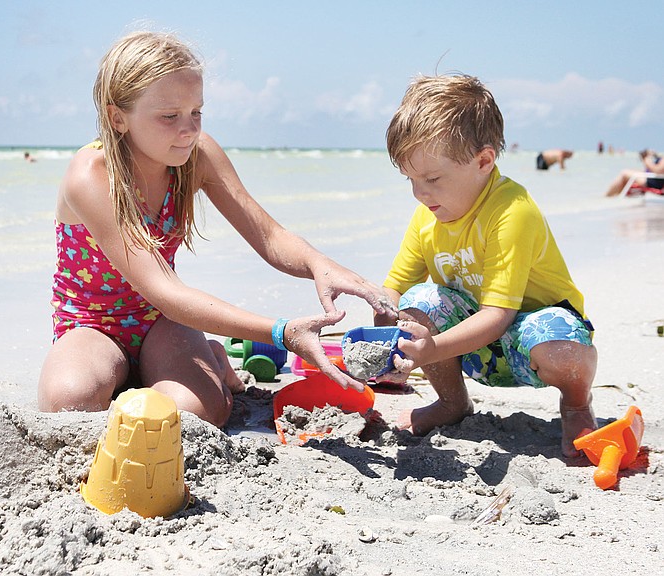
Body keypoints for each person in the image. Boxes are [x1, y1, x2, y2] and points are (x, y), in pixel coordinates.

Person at [37, 31, 394, 427]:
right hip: (92, 321)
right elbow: (165, 290)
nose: (188, 129)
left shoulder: (197, 156)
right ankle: (180, 364)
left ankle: (198, 359)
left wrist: (319, 264)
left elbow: (268, 235)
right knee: (68, 403)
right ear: (118, 117)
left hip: (160, 321)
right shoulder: (91, 174)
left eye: (197, 112)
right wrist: (282, 333)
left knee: (195, 416)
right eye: (169, 117)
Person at [376, 74, 597, 457]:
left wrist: (429, 350)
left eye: (431, 178)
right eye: (410, 179)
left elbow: (498, 315)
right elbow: (394, 289)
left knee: (556, 340)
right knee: (416, 301)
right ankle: (452, 403)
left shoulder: (512, 211)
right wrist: (378, 331)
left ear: (484, 160)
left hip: (533, 340)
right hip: (474, 349)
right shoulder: (427, 215)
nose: (420, 193)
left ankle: (576, 405)